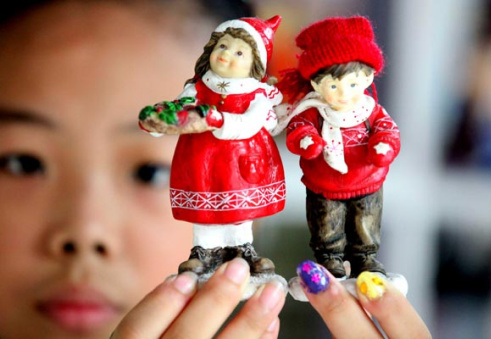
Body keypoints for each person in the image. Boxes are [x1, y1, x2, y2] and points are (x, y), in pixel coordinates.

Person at [0, 1, 430, 337]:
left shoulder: (264, 99)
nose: (86, 232)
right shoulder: (196, 92)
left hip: (248, 169)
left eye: (149, 173)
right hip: (207, 169)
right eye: (22, 163)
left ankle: (328, 256)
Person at [138, 14, 286, 277]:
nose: (227, 55)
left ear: (254, 63)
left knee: (238, 205)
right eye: (223, 46)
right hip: (201, 156)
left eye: (239, 52)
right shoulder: (197, 87)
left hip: (242, 157)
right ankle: (204, 250)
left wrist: (219, 119)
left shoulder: (258, 95)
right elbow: (180, 110)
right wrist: (160, 121)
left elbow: (251, 123)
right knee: (205, 202)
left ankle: (242, 247)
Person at [279, 16, 401, 279]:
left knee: (365, 221)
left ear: (368, 78)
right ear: (315, 84)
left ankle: (364, 257)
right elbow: (299, 127)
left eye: (353, 84)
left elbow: (387, 129)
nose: (344, 94)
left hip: (366, 179)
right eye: (333, 86)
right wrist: (306, 140)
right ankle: (330, 257)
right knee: (326, 223)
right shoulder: (313, 111)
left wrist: (383, 145)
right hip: (325, 182)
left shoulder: (371, 110)